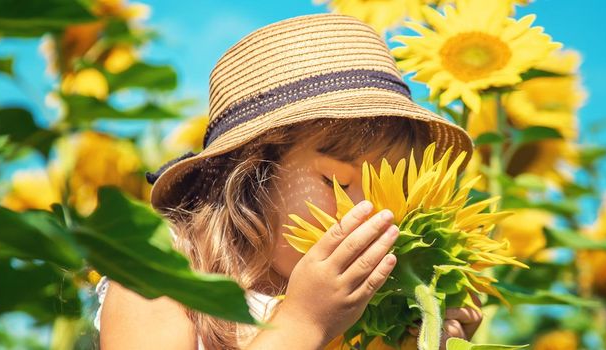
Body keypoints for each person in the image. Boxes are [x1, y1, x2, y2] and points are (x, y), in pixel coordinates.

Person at [96, 13, 482, 350]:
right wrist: (304, 324)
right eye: (338, 183)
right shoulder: (160, 276)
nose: (371, 210)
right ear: (252, 176)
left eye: (396, 189)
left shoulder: (368, 311)